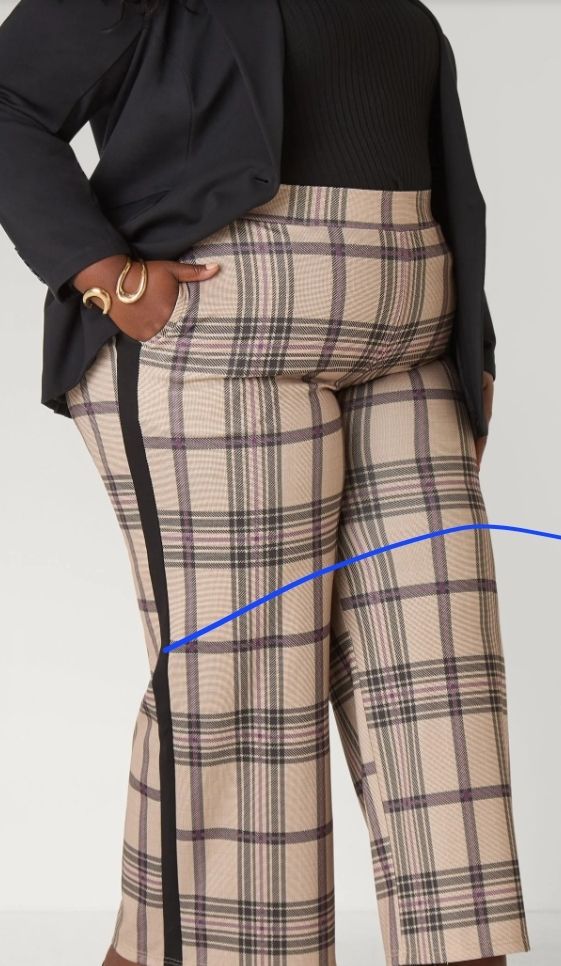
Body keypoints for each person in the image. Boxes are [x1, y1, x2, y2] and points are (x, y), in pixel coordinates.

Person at [0, 1, 530, 965]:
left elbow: (428, 158)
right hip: (215, 352)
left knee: (443, 670)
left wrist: (472, 341)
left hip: (410, 353)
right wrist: (106, 275)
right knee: (243, 677)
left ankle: (465, 952)